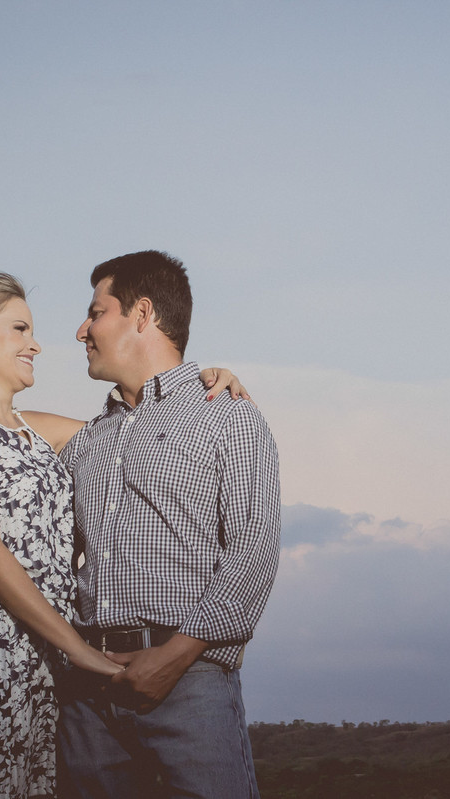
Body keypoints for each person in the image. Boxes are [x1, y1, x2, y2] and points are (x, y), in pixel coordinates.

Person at [0, 271, 247, 799]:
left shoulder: (39, 431)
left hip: (47, 666)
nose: (35, 343)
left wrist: (209, 379)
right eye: (18, 329)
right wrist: (82, 652)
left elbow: (130, 430)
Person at [56, 251, 281, 799]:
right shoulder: (88, 440)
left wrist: (174, 656)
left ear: (142, 314)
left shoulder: (226, 413)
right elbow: (36, 537)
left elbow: (253, 552)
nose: (81, 330)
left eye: (96, 312)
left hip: (191, 679)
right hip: (89, 687)